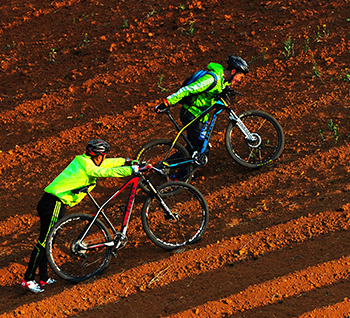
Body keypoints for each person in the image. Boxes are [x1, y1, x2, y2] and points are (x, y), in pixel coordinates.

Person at [21, 139, 144, 293]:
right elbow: (104, 172)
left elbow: (106, 165)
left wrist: (125, 161)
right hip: (53, 203)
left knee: (49, 240)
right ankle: (28, 279)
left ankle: (44, 278)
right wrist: (130, 170)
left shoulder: (84, 160)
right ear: (98, 156)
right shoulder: (87, 165)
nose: (105, 159)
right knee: (44, 242)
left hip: (54, 203)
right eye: (104, 156)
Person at [155, 55, 249, 168]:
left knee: (193, 148)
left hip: (200, 116)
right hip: (191, 113)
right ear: (233, 71)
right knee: (201, 150)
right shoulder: (212, 78)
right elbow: (188, 90)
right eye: (240, 77)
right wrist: (167, 102)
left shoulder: (223, 82)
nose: (239, 81)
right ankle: (177, 177)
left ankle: (166, 167)